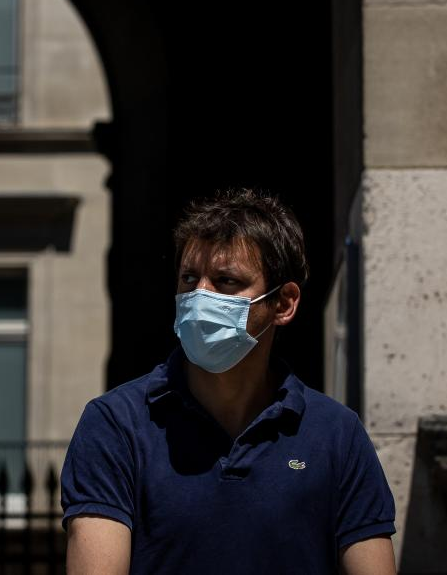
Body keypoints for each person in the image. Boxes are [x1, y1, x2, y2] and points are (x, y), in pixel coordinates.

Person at [60, 188, 396, 574]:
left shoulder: (337, 434)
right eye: (189, 278)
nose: (199, 296)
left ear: (284, 303)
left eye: (226, 281)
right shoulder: (115, 425)